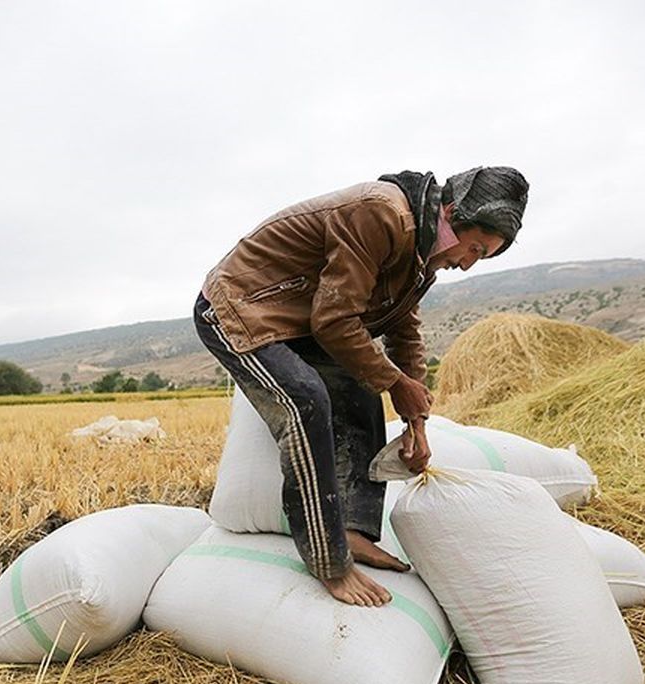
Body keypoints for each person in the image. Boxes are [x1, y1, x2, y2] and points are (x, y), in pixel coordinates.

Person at [193, 166, 530, 607]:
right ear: (452, 214)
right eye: (475, 249)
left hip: (301, 322)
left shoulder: (422, 252)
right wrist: (395, 382)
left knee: (363, 385)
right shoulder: (381, 214)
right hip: (241, 309)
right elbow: (333, 321)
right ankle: (328, 560)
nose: (468, 263)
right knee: (305, 402)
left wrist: (416, 420)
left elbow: (403, 332)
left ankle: (352, 530)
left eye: (483, 258)